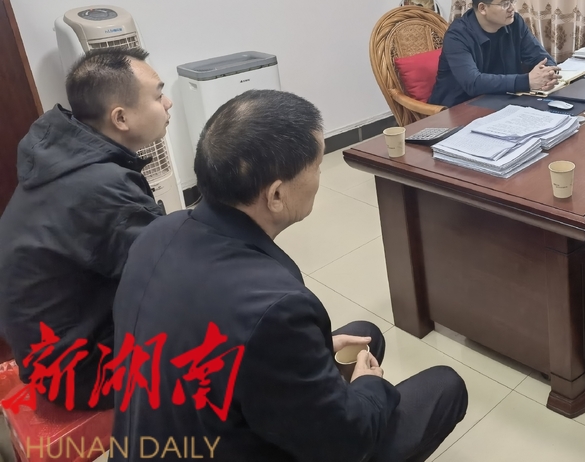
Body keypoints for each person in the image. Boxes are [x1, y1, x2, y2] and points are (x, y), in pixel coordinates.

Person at [110, 90, 467, 461]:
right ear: (276, 195)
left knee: (365, 335)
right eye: (317, 166)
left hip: (164, 439)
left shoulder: (156, 233)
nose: (320, 176)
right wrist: (369, 388)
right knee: (445, 386)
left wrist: (305, 354)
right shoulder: (275, 309)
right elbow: (346, 442)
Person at [0, 47, 170, 410]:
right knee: (228, 327)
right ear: (120, 117)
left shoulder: (64, 155)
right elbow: (172, 272)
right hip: (81, 372)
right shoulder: (101, 187)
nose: (167, 103)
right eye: (158, 96)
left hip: (53, 351)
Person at [428, 0, 558, 108]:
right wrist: (527, 81)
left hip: (501, 100)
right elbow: (473, 82)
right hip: (458, 108)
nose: (512, 8)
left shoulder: (515, 23)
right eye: (505, 3)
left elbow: (541, 57)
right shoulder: (457, 35)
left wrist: (548, 73)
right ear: (483, 8)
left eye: (512, 0)